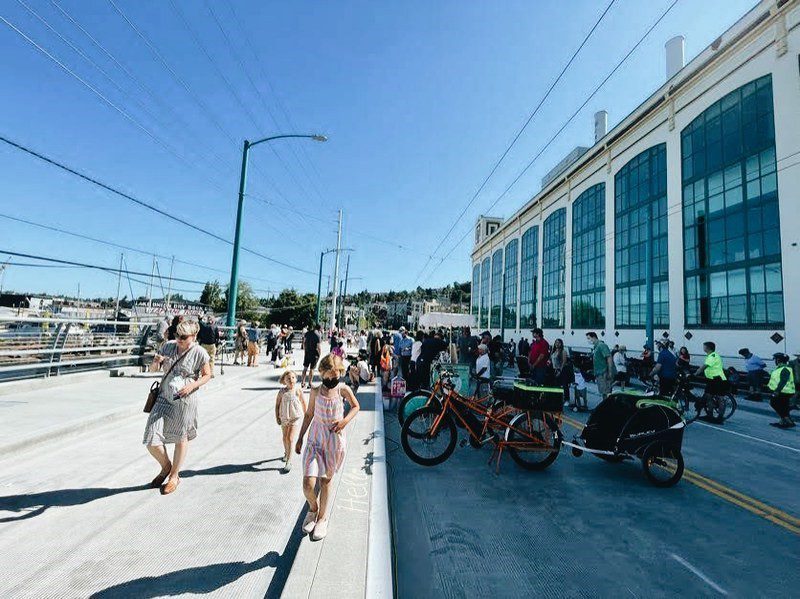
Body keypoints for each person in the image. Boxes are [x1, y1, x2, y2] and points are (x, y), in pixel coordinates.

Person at [143, 320, 212, 495]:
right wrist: (156, 362)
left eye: (183, 337)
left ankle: (174, 476)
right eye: (177, 335)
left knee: (181, 437)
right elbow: (152, 370)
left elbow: (207, 375)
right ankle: (166, 466)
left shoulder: (200, 352)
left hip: (185, 399)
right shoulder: (168, 346)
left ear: (194, 336)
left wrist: (192, 386)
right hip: (164, 397)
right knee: (151, 438)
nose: (179, 339)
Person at [296, 354, 360, 541]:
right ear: (321, 373)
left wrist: (344, 421)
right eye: (328, 377)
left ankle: (323, 518)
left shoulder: (343, 389)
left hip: (333, 441)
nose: (331, 380)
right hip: (316, 439)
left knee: (326, 480)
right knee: (308, 483)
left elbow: (356, 406)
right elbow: (308, 415)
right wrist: (300, 438)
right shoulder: (315, 392)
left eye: (335, 376)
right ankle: (313, 508)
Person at [275, 370, 307, 472]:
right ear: (284, 381)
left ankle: (289, 461)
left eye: (293, 378)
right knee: (284, 438)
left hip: (294, 418)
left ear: (296, 379)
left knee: (290, 438)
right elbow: (277, 405)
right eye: (288, 378)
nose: (291, 380)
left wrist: (307, 415)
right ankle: (286, 452)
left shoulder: (298, 391)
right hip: (284, 417)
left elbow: (303, 402)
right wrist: (277, 417)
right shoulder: (281, 392)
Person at [768, 353, 796, 428]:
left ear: (778, 360)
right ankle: (783, 422)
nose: (775, 361)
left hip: (783, 391)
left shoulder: (785, 369)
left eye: (775, 359)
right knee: (783, 406)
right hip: (785, 391)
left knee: (774, 403)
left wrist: (777, 391)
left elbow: (783, 381)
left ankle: (787, 420)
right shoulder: (781, 368)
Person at [586, 332, 613, 399]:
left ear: (594, 337)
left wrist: (610, 372)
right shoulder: (596, 347)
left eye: (589, 338)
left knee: (606, 392)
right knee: (603, 392)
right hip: (599, 372)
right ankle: (605, 407)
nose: (588, 340)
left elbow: (609, 358)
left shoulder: (601, 345)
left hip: (604, 372)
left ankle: (607, 407)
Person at [301, 324, 323, 388]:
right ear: (319, 328)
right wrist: (320, 353)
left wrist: (305, 350)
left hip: (307, 352)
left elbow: (304, 342)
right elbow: (318, 346)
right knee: (312, 369)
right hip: (314, 353)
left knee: (305, 368)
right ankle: (310, 383)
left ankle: (302, 382)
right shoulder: (318, 335)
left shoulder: (307, 333)